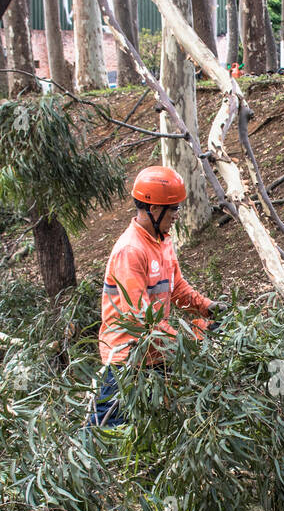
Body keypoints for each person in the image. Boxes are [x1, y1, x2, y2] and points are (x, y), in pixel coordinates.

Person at [89, 166, 225, 427]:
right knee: (107, 432)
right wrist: (189, 338)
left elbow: (177, 289)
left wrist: (209, 309)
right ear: (153, 209)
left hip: (157, 354)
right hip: (126, 359)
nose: (176, 215)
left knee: (157, 430)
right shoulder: (130, 250)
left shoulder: (162, 242)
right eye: (172, 209)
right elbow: (141, 318)